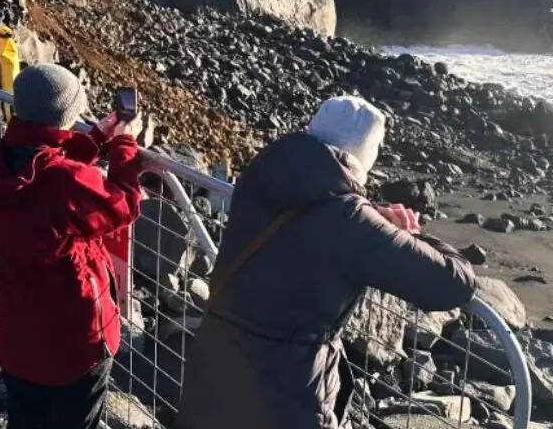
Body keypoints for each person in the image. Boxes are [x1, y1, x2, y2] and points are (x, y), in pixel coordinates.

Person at [176, 97, 478, 429]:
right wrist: (416, 237)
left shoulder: (262, 173)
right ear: (365, 152)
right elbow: (453, 284)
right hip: (285, 393)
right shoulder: (349, 218)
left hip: (215, 365)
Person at [0, 64, 145, 429]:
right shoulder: (64, 182)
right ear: (68, 114)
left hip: (19, 337)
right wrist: (125, 145)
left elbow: (45, 167)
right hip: (75, 342)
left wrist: (97, 138)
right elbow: (122, 204)